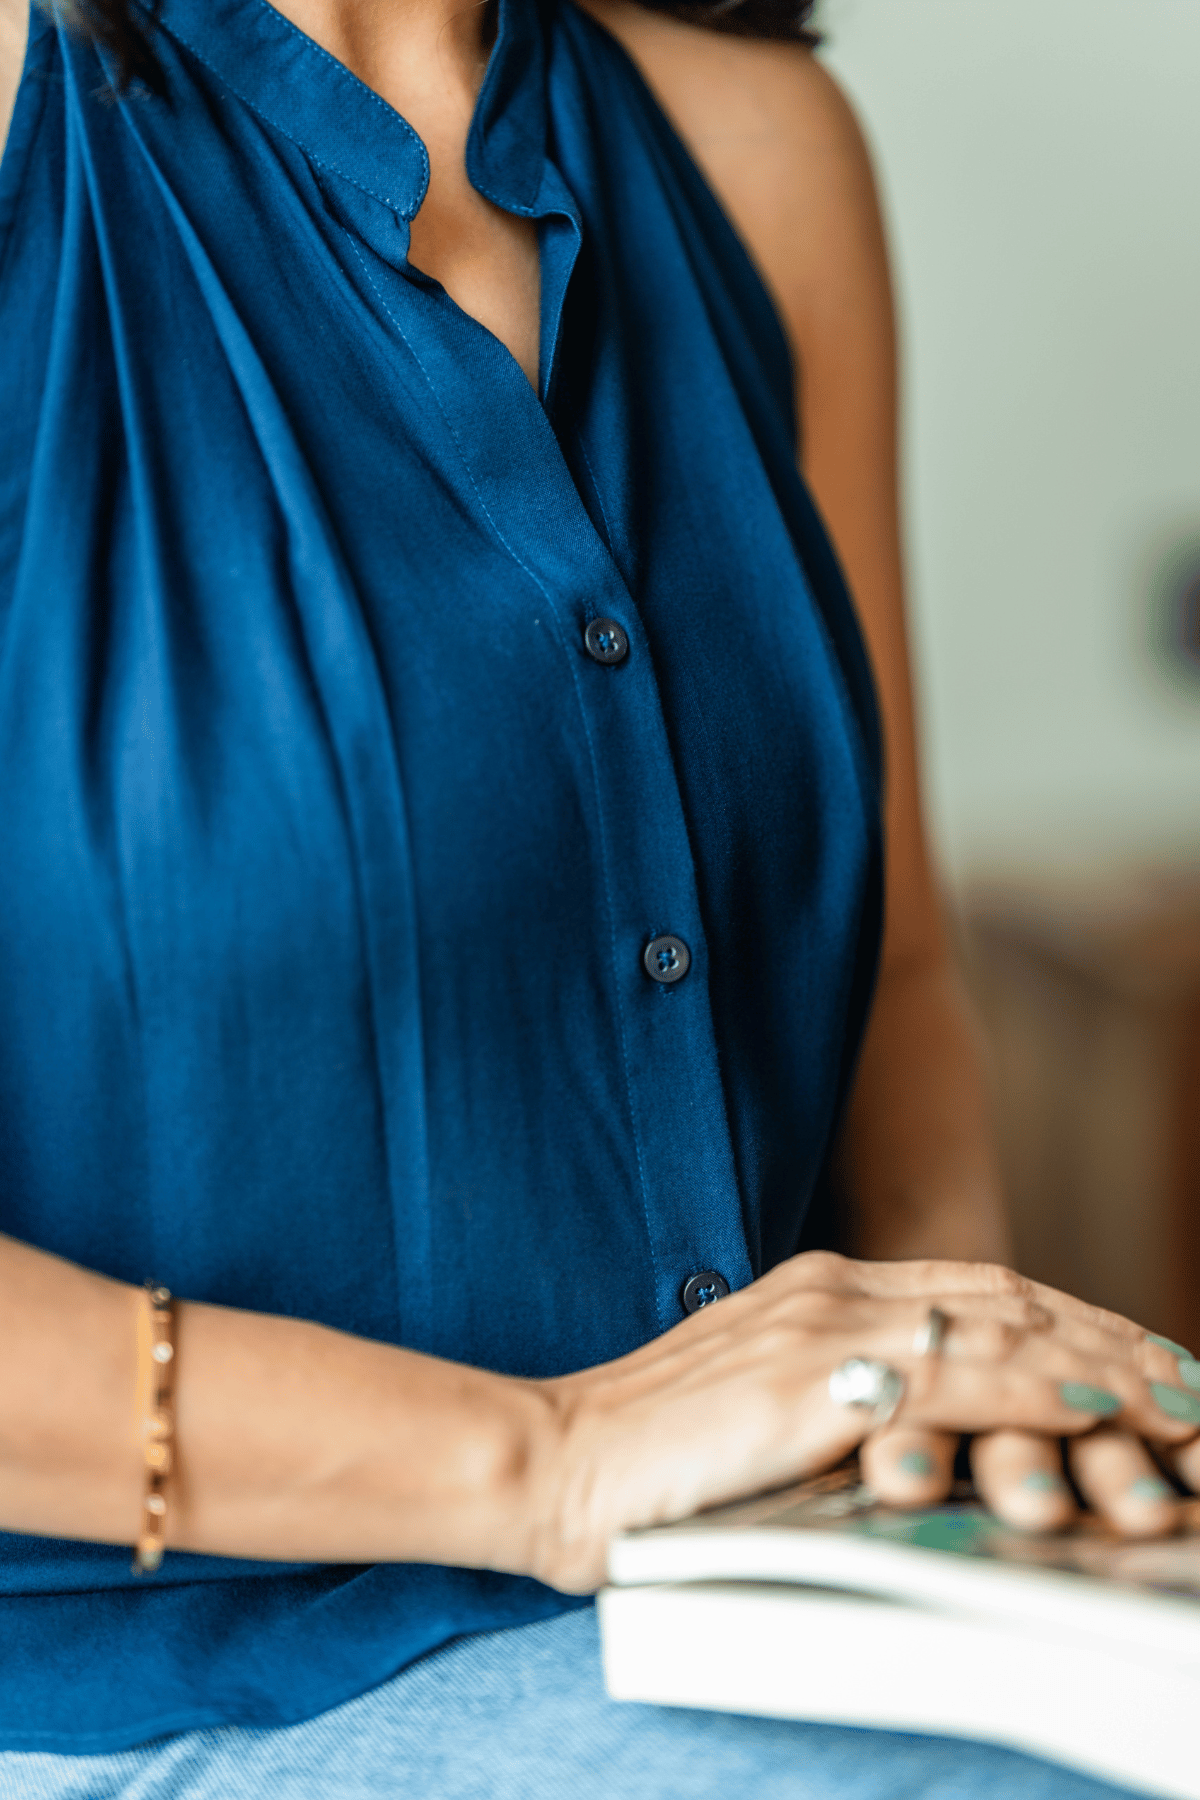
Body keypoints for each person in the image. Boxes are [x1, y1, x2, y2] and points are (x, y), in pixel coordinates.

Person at [0, 0, 1197, 1793]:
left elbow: (903, 979)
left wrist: (961, 1427)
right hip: (157, 1688)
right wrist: (549, 1457)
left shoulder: (759, 143)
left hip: (768, 1598)